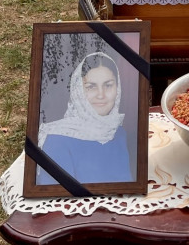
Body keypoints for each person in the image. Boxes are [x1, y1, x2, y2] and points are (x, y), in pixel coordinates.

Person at [37, 52, 133, 185]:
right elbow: (56, 200)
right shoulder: (56, 141)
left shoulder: (117, 131)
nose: (101, 95)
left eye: (108, 85)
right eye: (91, 87)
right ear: (78, 91)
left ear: (118, 87)